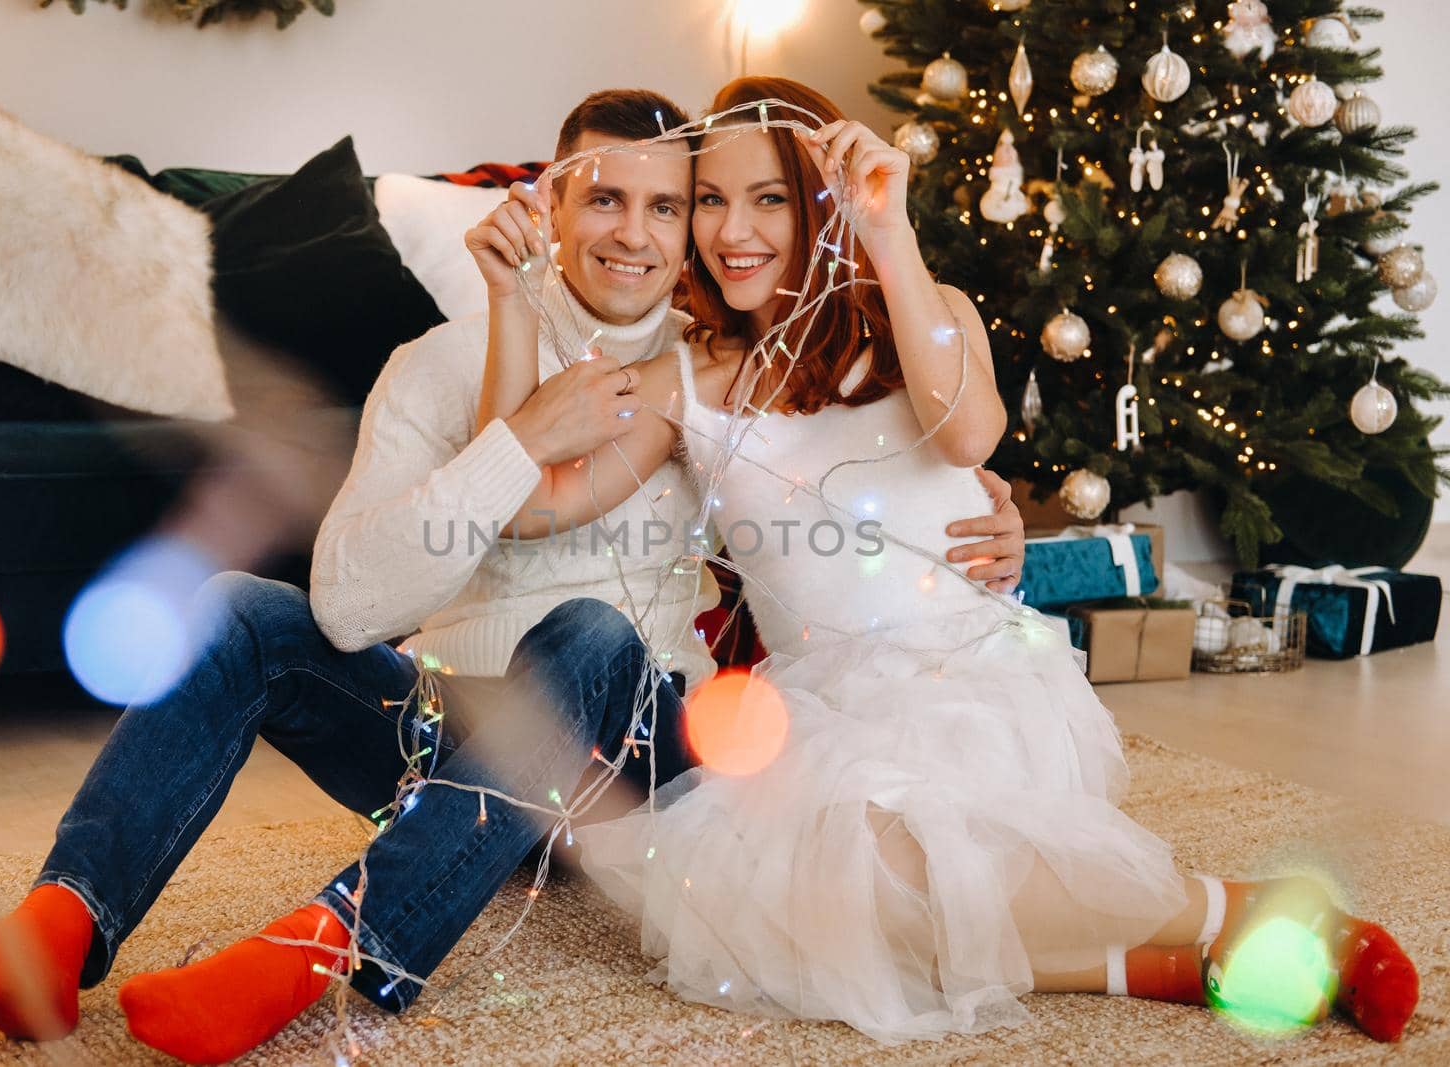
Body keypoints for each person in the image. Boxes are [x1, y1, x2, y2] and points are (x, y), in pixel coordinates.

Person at [0, 88, 1030, 1064]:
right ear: (546, 203)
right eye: (604, 196)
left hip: (632, 768)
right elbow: (350, 608)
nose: (637, 231)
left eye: (670, 206)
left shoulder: (713, 367)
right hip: (441, 759)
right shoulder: (431, 368)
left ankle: (321, 949)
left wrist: (979, 514)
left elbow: (843, 479)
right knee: (240, 612)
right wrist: (519, 430)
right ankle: (57, 929)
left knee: (590, 633)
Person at [483, 77, 1420, 1045]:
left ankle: (1252, 906)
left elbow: (967, 432)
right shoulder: (688, 377)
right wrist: (508, 302)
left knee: (899, 869)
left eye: (769, 197)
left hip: (968, 670)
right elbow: (520, 499)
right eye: (710, 199)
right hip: (816, 704)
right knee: (783, 906)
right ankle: (1160, 961)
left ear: (824, 203)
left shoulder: (921, 316)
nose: (733, 230)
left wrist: (887, 232)